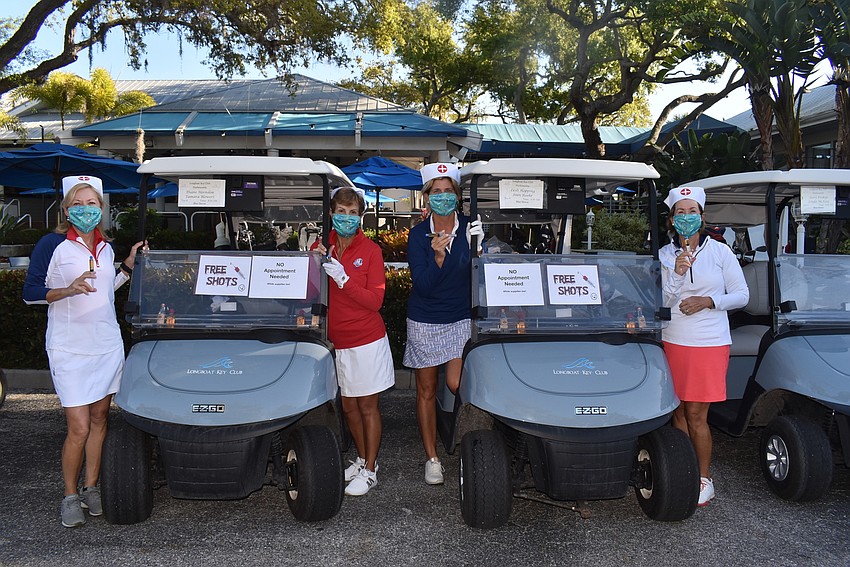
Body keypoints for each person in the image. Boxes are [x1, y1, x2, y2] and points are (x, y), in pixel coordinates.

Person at [22, 175, 146, 528]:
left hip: (105, 345)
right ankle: (69, 495)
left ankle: (91, 487)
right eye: (77, 204)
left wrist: (127, 265)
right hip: (69, 348)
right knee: (78, 427)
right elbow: (30, 293)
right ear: (66, 210)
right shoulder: (52, 244)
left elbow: (105, 289)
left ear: (101, 209)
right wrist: (67, 289)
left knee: (100, 419)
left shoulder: (106, 247)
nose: (85, 210)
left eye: (91, 204)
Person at [659, 185, 749, 507]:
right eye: (680, 212)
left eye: (692, 211)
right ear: (672, 220)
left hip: (709, 343)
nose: (687, 217)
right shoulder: (665, 255)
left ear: (702, 216)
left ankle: (704, 478)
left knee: (697, 413)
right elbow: (662, 301)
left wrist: (708, 301)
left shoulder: (721, 252)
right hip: (673, 340)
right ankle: (683, 471)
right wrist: (677, 274)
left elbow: (742, 295)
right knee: (678, 411)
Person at [403, 162, 483, 485]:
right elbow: (422, 285)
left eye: (448, 191)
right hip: (425, 318)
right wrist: (438, 258)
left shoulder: (470, 228)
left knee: (456, 383)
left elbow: (479, 275)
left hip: (460, 316)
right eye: (437, 192)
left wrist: (482, 250)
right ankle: (432, 458)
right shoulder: (418, 235)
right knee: (426, 390)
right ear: (427, 197)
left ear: (458, 195)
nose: (443, 197)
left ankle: (470, 443)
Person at [315, 186, 395, 496]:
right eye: (341, 212)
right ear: (331, 213)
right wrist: (312, 260)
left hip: (367, 340)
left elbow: (375, 301)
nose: (346, 217)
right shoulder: (324, 247)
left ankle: (372, 470)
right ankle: (362, 459)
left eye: (352, 213)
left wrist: (344, 280)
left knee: (367, 406)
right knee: (348, 407)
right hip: (338, 342)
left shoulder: (371, 251)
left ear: (360, 216)